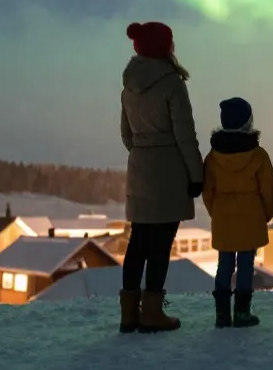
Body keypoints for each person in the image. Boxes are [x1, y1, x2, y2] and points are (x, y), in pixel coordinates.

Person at [119, 21, 204, 333]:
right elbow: (185, 135)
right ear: (165, 47)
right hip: (169, 171)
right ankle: (152, 313)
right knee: (160, 245)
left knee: (138, 241)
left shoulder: (129, 86)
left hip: (139, 168)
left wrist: (143, 152)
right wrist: (196, 175)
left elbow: (126, 135)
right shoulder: (172, 84)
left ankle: (128, 315)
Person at [203, 97, 273, 328]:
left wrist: (217, 213)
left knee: (224, 265)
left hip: (223, 218)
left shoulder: (212, 157)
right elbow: (268, 190)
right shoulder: (258, 155)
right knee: (246, 266)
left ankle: (222, 314)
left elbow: (207, 192)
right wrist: (266, 214)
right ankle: (242, 313)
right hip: (251, 218)